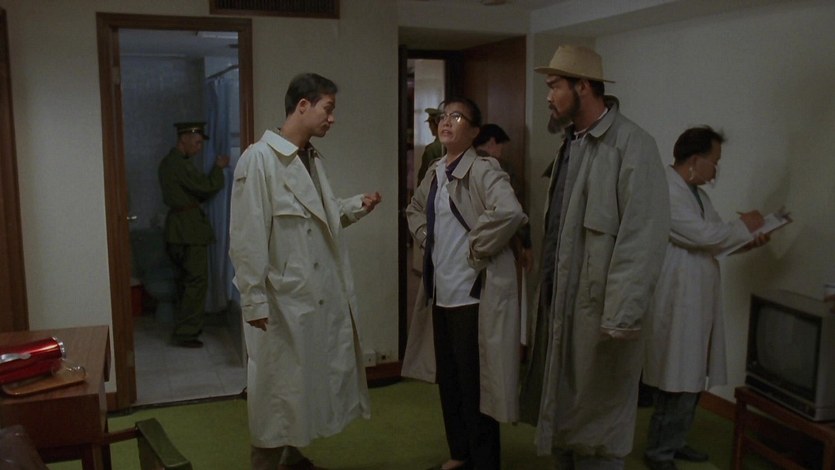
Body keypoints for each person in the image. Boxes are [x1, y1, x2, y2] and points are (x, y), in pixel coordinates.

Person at [520, 44, 671, 469]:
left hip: (601, 315)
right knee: (564, 418)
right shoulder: (571, 144)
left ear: (583, 86)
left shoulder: (632, 146)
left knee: (598, 430)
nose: (548, 96)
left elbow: (642, 239)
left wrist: (621, 316)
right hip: (562, 306)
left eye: (554, 86)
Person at [228, 73, 382, 470]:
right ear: (302, 106)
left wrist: (355, 207)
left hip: (309, 296)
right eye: (328, 109)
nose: (333, 118)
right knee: (275, 392)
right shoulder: (259, 160)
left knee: (302, 388)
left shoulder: (309, 158)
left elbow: (317, 217)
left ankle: (292, 457)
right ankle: (265, 463)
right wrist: (253, 300)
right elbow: (246, 238)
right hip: (280, 301)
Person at [403, 97, 527, 470]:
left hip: (473, 296)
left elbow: (510, 212)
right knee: (451, 381)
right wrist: (428, 238)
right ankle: (459, 454)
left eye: (456, 117)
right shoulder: (435, 171)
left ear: (474, 131)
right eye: (444, 116)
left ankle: (484, 460)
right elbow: (413, 209)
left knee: (476, 385)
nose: (446, 121)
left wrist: (477, 245)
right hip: (442, 293)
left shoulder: (484, 170)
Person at [642, 126, 769, 470]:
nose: (716, 170)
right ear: (696, 160)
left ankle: (676, 442)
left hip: (696, 299)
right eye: (715, 162)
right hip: (677, 299)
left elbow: (717, 240)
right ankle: (659, 452)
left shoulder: (697, 195)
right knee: (675, 380)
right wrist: (746, 226)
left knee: (692, 377)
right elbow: (703, 235)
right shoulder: (665, 189)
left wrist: (750, 239)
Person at [158, 121, 229, 348]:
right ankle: (186, 333)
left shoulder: (171, 163)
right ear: (184, 139)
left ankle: (185, 328)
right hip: (188, 230)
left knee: (186, 282)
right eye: (197, 143)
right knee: (196, 282)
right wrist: (218, 168)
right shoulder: (179, 164)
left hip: (179, 230)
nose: (199, 148)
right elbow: (204, 187)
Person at [474, 123, 533, 272]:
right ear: (492, 142)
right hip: (500, 245)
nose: (501, 151)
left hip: (467, 247)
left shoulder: (462, 166)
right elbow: (516, 209)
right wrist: (526, 245)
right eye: (501, 146)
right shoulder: (501, 168)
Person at [417, 107, 444, 184]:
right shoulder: (452, 146)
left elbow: (424, 176)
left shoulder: (431, 149)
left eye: (430, 124)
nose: (429, 127)